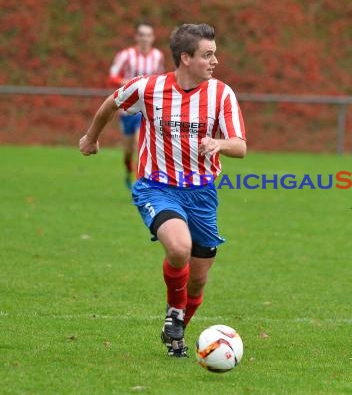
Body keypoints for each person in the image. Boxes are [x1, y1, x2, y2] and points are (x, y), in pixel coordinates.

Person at [80, 23, 247, 357]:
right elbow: (112, 103)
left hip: (202, 194)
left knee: (198, 281)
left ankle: (177, 332)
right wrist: (91, 137)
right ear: (185, 58)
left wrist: (219, 144)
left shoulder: (221, 94)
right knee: (179, 248)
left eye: (215, 54)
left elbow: (240, 146)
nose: (215, 61)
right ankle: (174, 311)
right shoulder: (148, 88)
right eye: (207, 55)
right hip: (157, 187)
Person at [109, 23, 165, 189]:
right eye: (141, 34)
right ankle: (128, 168)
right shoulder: (126, 55)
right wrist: (126, 83)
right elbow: (112, 77)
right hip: (127, 108)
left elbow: (160, 78)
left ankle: (142, 182)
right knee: (128, 151)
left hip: (147, 107)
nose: (144, 38)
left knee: (140, 141)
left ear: (153, 38)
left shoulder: (158, 56)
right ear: (136, 37)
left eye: (148, 35)